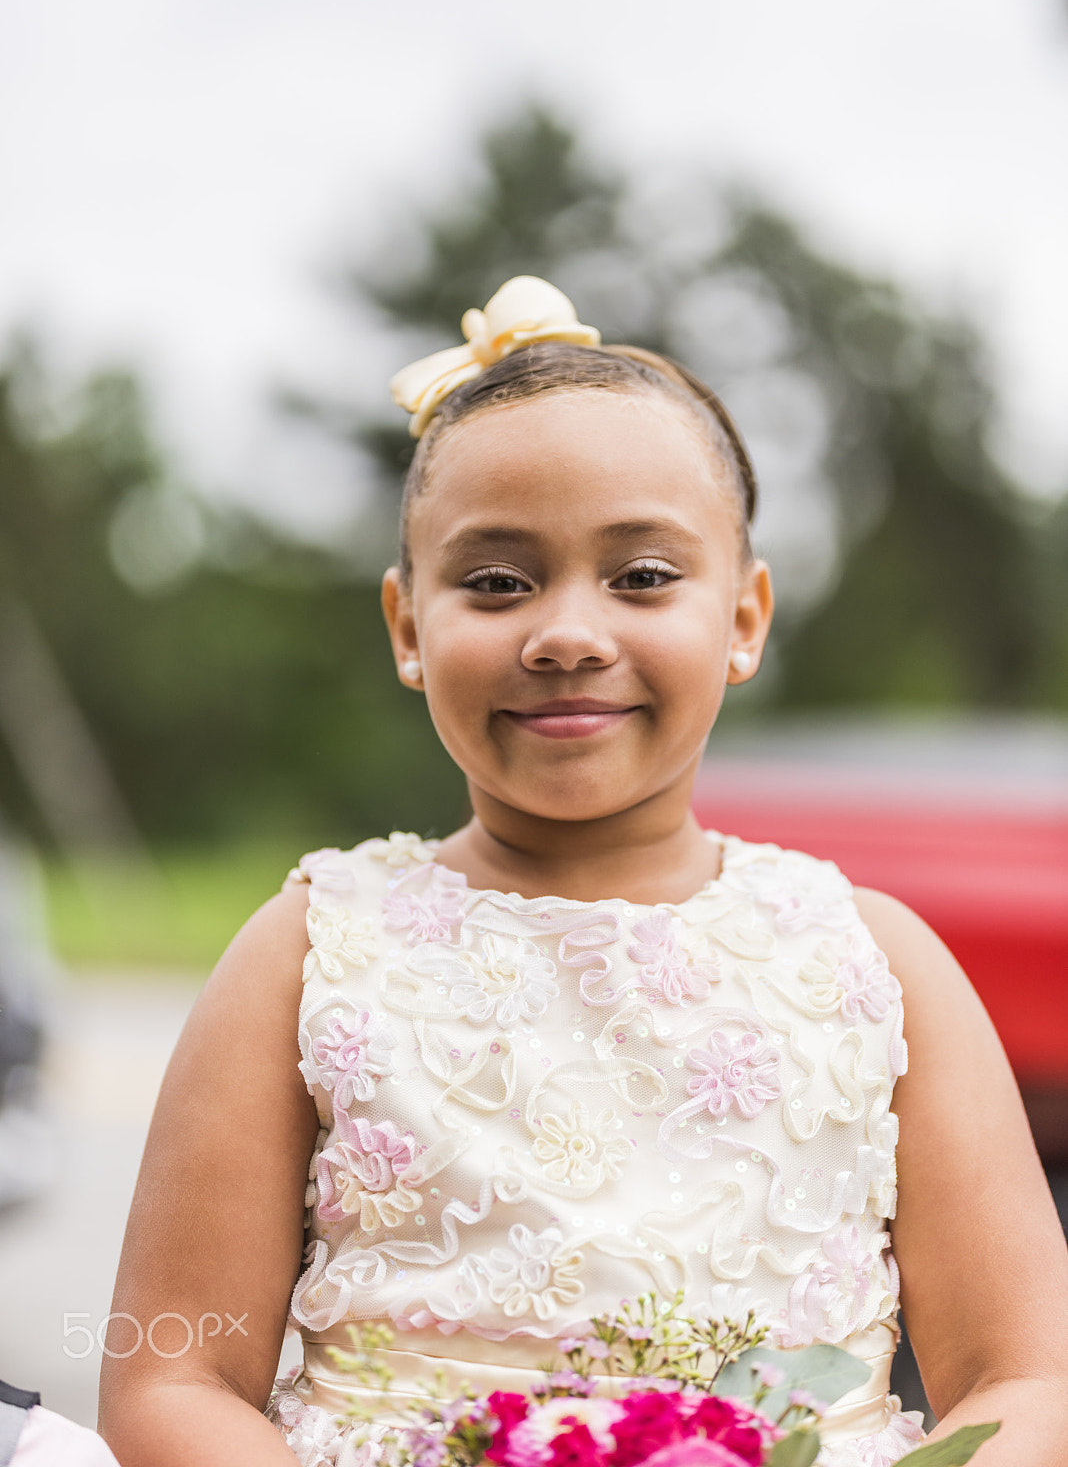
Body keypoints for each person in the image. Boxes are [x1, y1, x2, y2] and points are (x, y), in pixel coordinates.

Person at [98, 277, 1068, 1466]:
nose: (566, 632)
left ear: (745, 617)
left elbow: (1026, 1378)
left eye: (643, 576)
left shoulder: (878, 961)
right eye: (498, 581)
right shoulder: (309, 953)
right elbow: (172, 1378)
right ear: (408, 626)